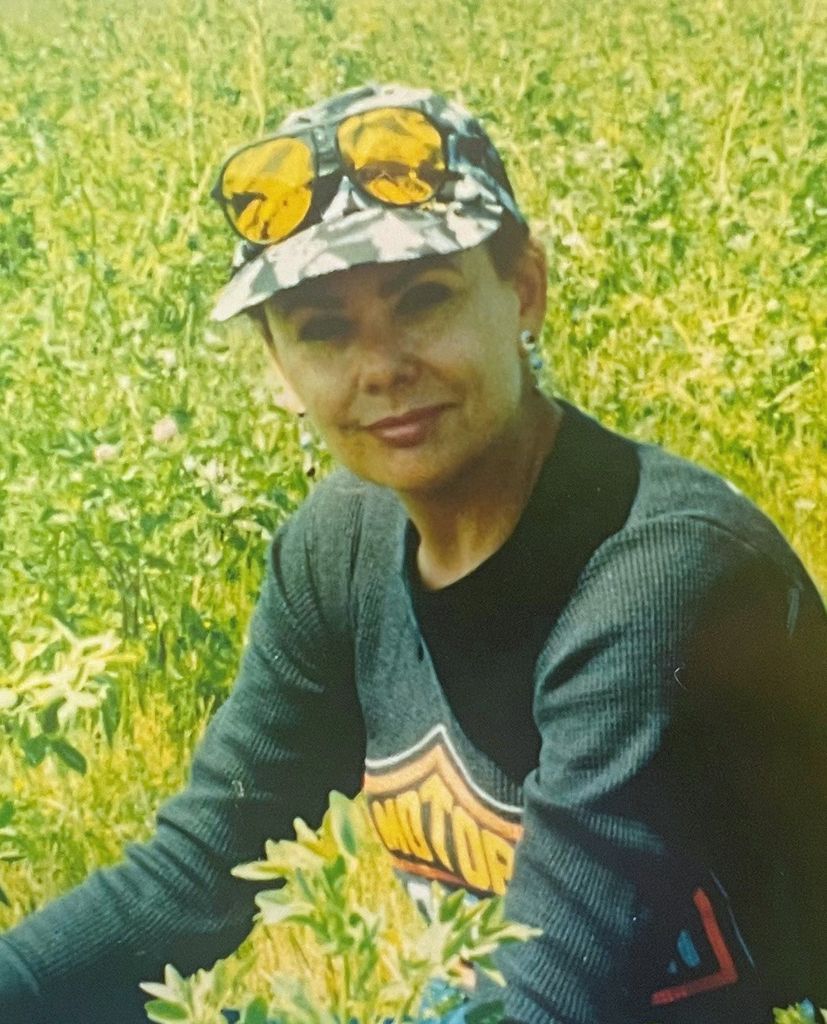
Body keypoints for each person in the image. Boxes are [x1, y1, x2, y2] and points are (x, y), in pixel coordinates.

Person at [1, 82, 825, 1024]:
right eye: (322, 330)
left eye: (423, 300)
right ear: (277, 366)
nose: (382, 367)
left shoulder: (659, 576)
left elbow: (546, 999)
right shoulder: (341, 549)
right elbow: (189, 878)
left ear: (524, 290)